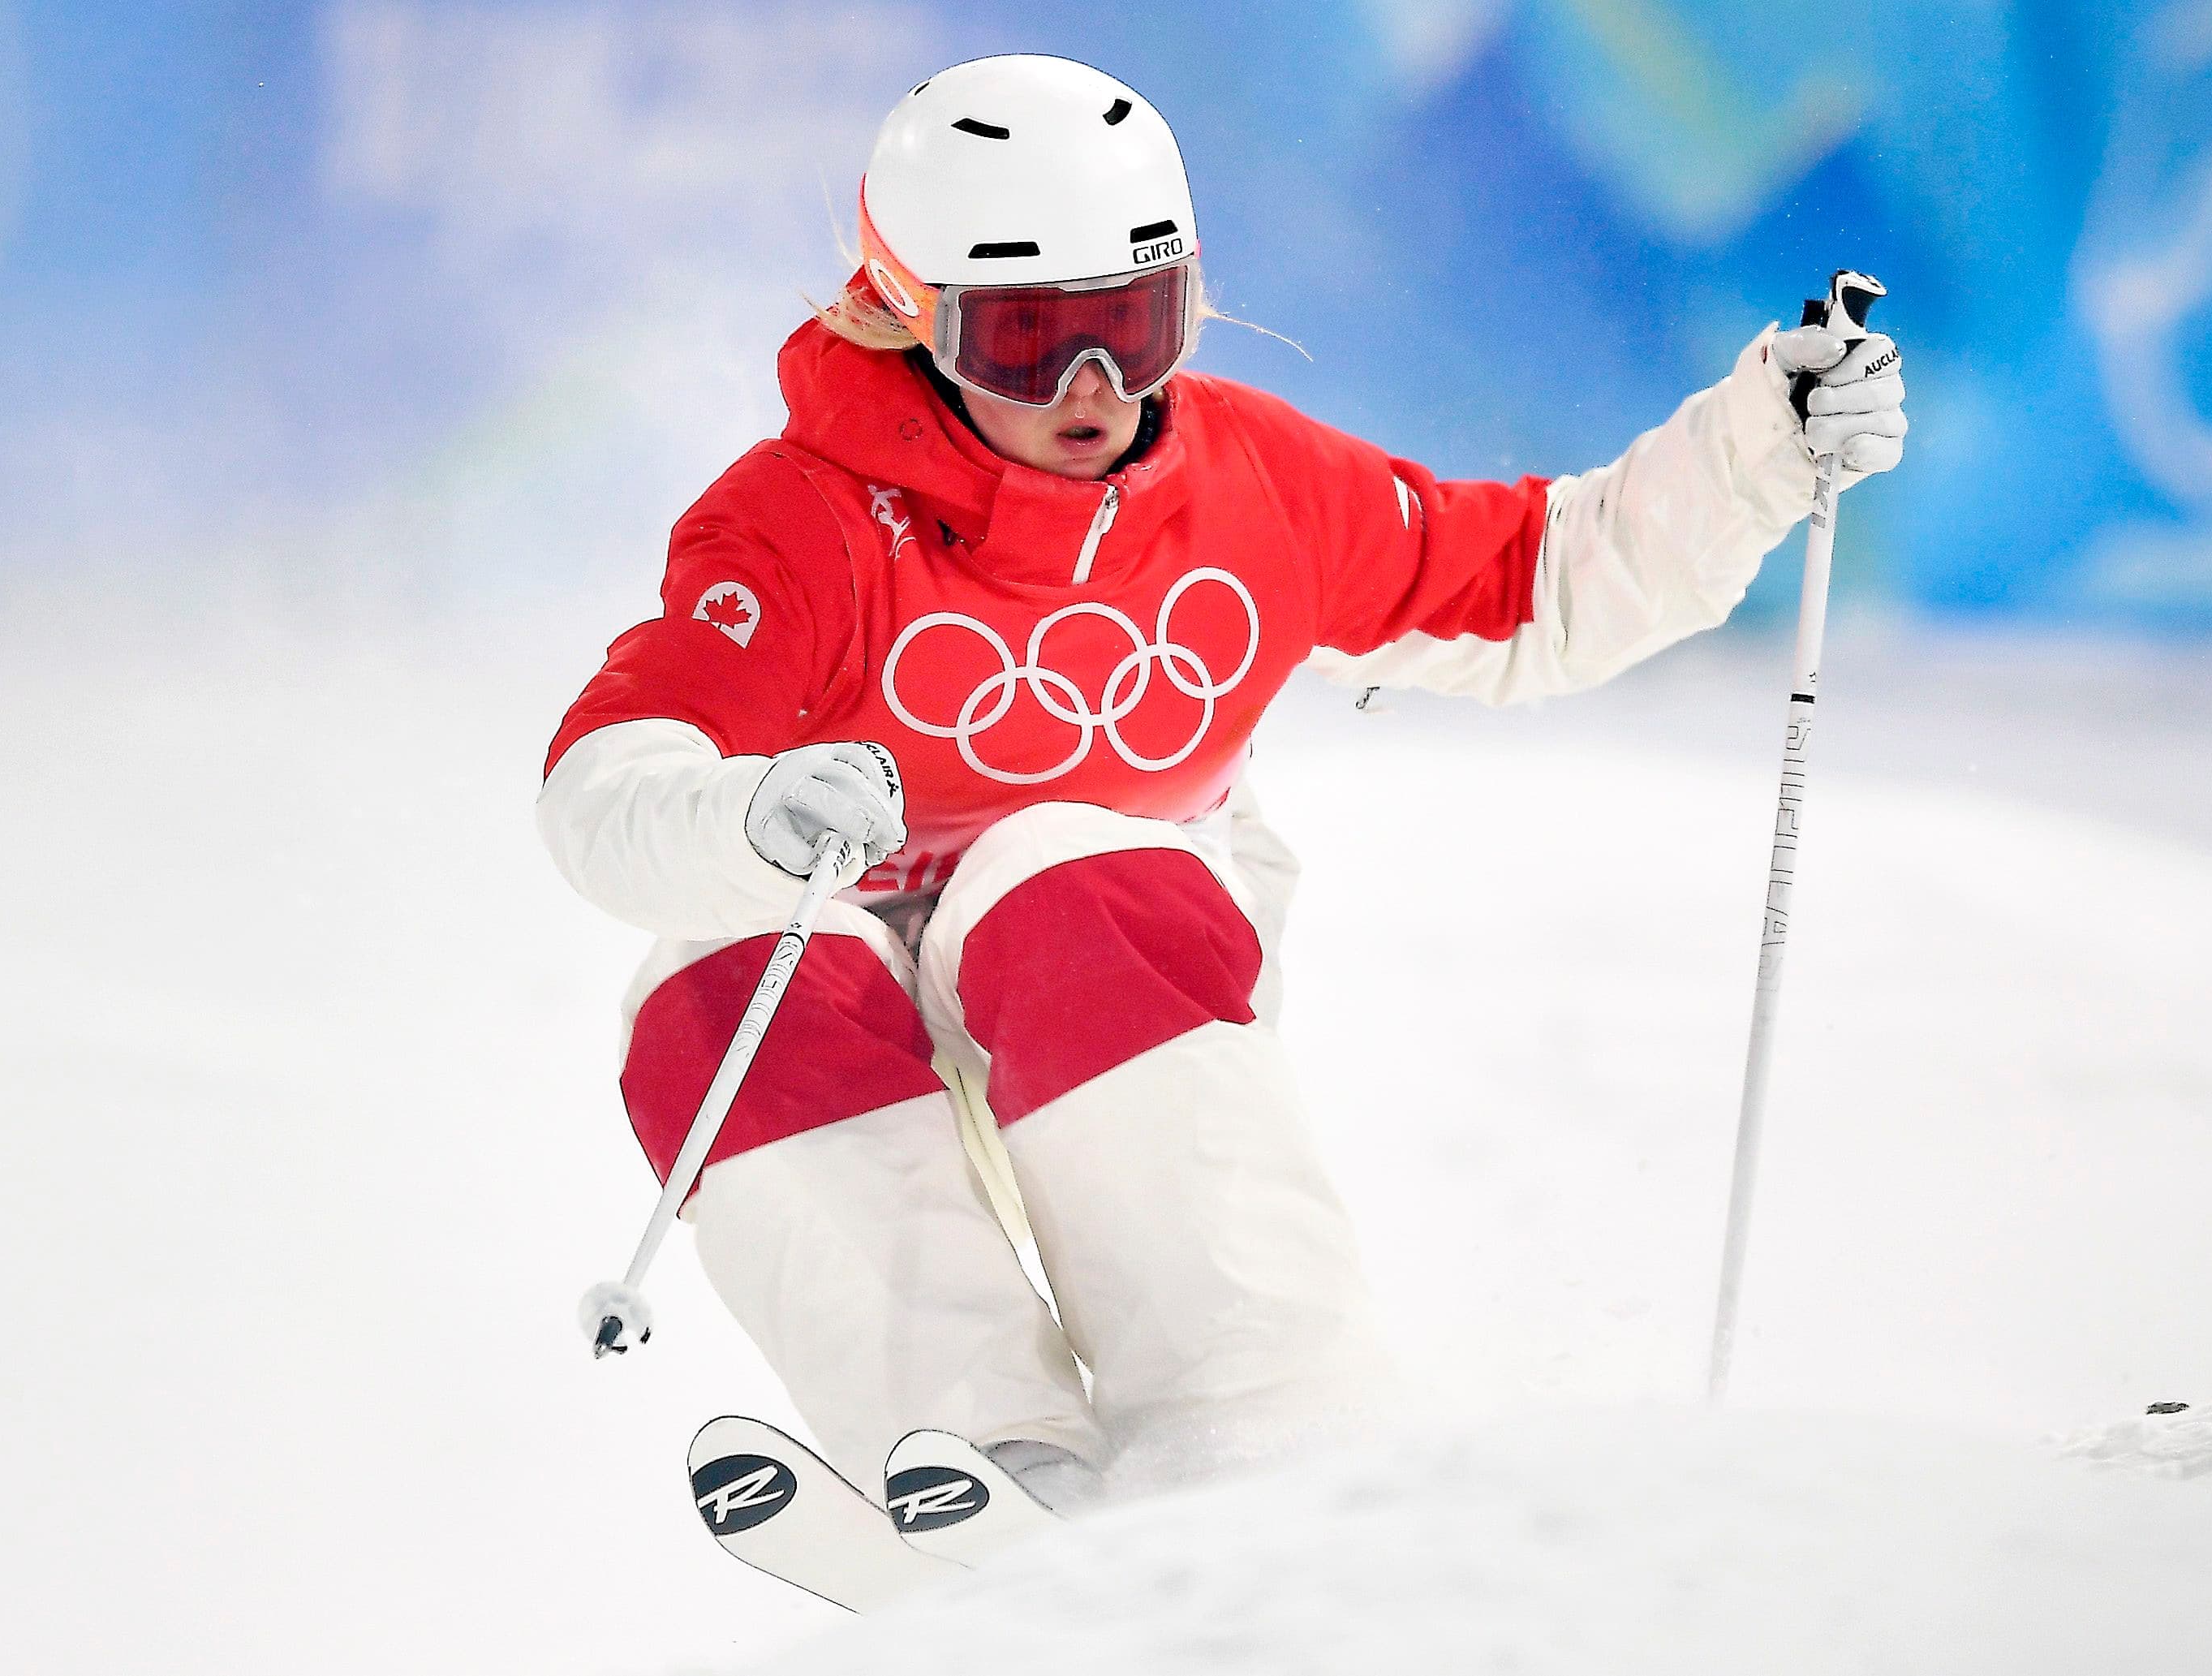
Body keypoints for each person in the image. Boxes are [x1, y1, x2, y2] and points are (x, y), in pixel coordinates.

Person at [542, 54, 1907, 1507]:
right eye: (1024, 340)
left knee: (1054, 865)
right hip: (865, 1024)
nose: (1093, 390)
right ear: (909, 315)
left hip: (1115, 999)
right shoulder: (804, 521)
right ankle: (981, 1456)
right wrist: (741, 817)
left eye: (1135, 327)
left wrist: (1763, 443)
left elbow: (1540, 581)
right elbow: (610, 778)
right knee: (705, 976)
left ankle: (1254, 1419)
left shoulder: (1243, 479)